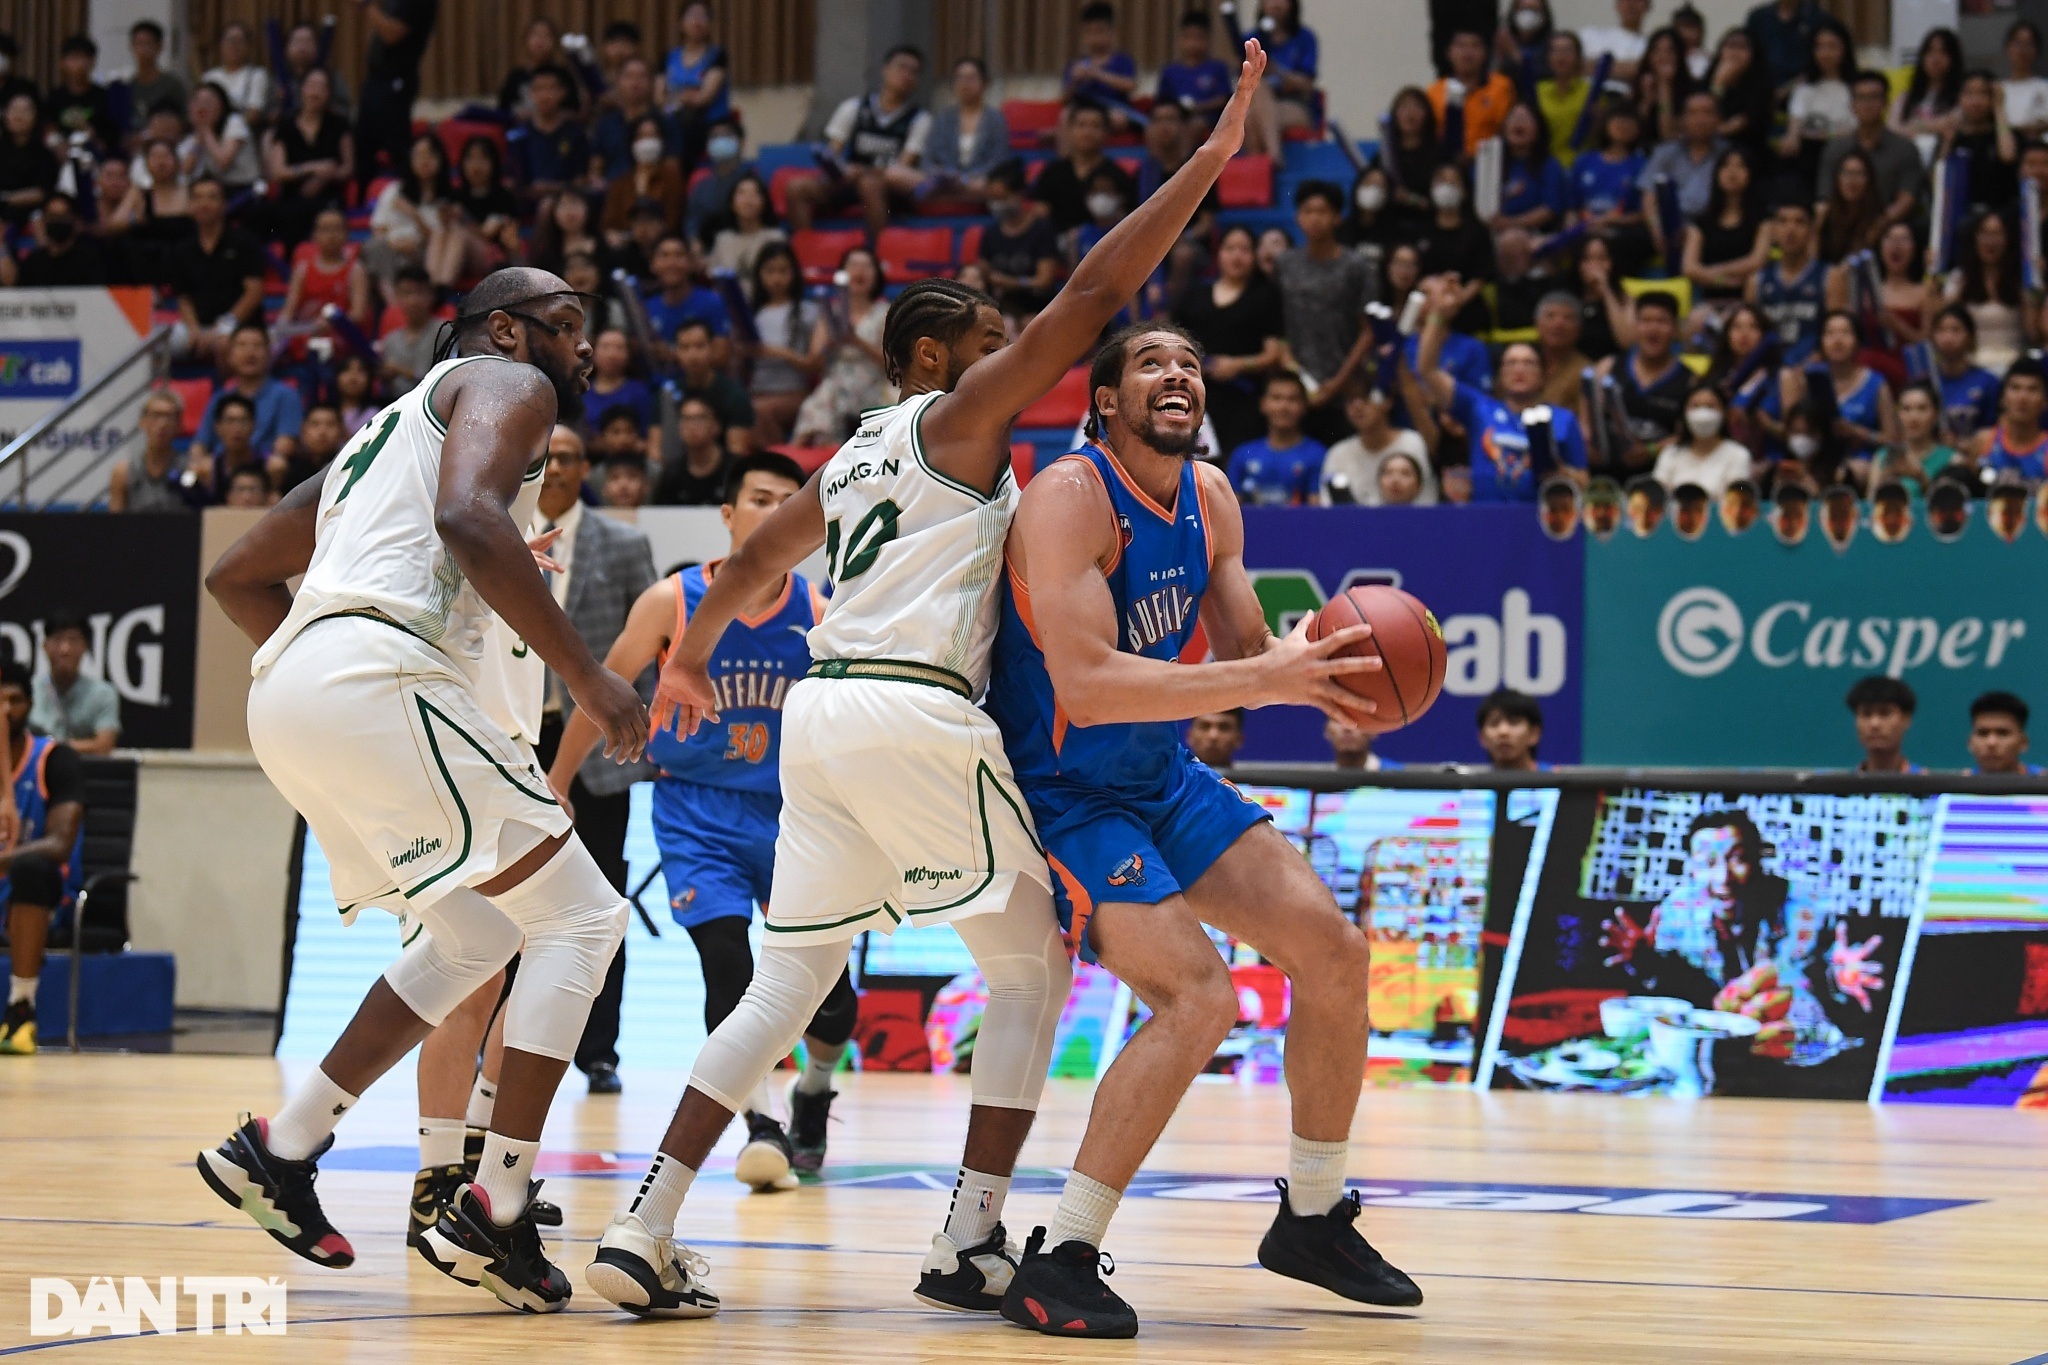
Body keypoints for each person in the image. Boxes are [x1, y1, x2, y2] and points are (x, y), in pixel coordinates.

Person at [584, 43, 1272, 1329]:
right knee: (1029, 970)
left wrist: (685, 661)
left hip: (819, 722)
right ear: (928, 359)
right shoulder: (954, 424)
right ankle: (968, 1241)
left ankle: (643, 1223)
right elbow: (1097, 286)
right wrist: (1208, 163)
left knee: (782, 991)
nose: (1015, 364)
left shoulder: (845, 459)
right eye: (989, 347)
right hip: (911, 710)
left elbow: (743, 565)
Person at [198, 266, 647, 1309]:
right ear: (504, 329)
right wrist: (588, 675)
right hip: (375, 674)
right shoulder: (504, 381)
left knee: (476, 938)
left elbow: (233, 576)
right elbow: (470, 520)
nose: (583, 349)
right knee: (583, 921)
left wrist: (326, 685)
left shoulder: (377, 434)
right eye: (567, 326)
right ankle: (494, 1209)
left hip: (291, 691)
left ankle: (284, 1144)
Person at [983, 313, 1419, 1337]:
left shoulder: (1211, 496)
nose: (1175, 371)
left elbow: (1246, 647)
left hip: (1161, 774)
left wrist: (1318, 663)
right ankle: (1062, 1255)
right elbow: (1085, 688)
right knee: (1196, 1000)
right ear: (1105, 402)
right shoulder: (1068, 500)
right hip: (1063, 792)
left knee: (1335, 953)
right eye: (1149, 363)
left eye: (1186, 361)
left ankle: (1310, 1217)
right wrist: (1263, 678)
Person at [550, 451, 857, 1181]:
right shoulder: (671, 601)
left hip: (796, 814)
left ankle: (813, 1090)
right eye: (759, 498)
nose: (775, 513)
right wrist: (558, 779)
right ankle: (762, 1120)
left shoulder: (820, 611)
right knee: (728, 963)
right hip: (696, 811)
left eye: (791, 503)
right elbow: (603, 688)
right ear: (727, 515)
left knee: (830, 998)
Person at [520, 427, 657, 1096]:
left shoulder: (624, 544)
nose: (554, 469)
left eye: (569, 456)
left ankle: (599, 1050)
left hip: (598, 753)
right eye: (544, 457)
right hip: (514, 743)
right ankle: (506, 1044)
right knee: (511, 899)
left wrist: (641, 734)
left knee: (601, 900)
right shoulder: (497, 538)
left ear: (584, 468)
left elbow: (651, 646)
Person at [1418, 275, 1588, 502]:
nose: (1519, 369)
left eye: (1528, 363)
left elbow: (1584, 481)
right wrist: (1437, 316)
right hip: (1487, 521)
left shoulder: (1564, 420)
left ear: (1542, 375)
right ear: (1501, 375)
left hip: (1542, 521)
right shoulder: (1478, 407)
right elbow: (1427, 369)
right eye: (1511, 363)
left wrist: (1560, 473)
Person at [0, 659, 87, 1057]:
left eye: (13, 700)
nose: (4, 710)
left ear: (29, 705)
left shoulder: (54, 758)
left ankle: (22, 1007)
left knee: (32, 867)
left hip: (48, 895)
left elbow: (60, 844)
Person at [790, 45, 932, 239]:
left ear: (916, 81)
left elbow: (901, 169)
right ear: (885, 70)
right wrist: (838, 170)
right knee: (796, 188)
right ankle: (805, 250)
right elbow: (833, 153)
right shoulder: (853, 107)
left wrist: (862, 172)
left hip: (890, 191)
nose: (906, 74)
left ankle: (879, 255)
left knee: (869, 184)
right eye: (901, 67)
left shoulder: (920, 119)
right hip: (850, 182)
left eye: (913, 72)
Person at [1275, 182, 1373, 444]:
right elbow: (1277, 320)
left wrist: (1338, 382)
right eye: (1307, 211)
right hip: (1298, 386)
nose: (1314, 218)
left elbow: (1368, 330)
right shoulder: (1285, 264)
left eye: (1323, 211)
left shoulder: (1358, 266)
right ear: (1297, 217)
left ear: (1337, 217)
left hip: (1346, 385)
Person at [1176, 224, 1285, 455]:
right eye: (1230, 248)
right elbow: (1175, 343)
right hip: (1197, 396)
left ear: (1254, 255)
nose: (1237, 255)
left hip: (1244, 398)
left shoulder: (1266, 295)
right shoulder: (1195, 294)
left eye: (1244, 249)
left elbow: (1273, 354)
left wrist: (1237, 365)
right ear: (1219, 254)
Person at [791, 246, 890, 446]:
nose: (859, 271)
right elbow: (814, 363)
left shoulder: (886, 312)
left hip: (874, 381)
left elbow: (892, 365)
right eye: (853, 265)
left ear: (877, 274)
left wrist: (857, 341)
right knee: (819, 402)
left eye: (867, 266)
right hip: (837, 381)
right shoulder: (830, 313)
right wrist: (829, 344)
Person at [1592, 290, 1689, 472]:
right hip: (1606, 471)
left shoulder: (1689, 380)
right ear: (1635, 326)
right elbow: (1587, 419)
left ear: (1675, 329)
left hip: (1660, 474)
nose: (1653, 329)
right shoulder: (1606, 368)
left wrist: (1652, 450)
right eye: (1645, 321)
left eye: (1661, 321)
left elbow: (1687, 435)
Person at [355, 0, 440, 194]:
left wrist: (366, 6)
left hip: (395, 82)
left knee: (397, 148)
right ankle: (364, 202)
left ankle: (409, 195)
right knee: (364, 148)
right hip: (377, 80)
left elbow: (392, 33)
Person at [195, 323, 305, 472]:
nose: (250, 353)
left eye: (257, 346)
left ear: (269, 353)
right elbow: (199, 445)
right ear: (230, 355)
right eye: (242, 345)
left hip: (262, 475)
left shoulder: (286, 396)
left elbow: (284, 448)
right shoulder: (220, 398)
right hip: (222, 473)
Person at [743, 243, 823, 445]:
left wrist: (778, 353)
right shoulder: (751, 314)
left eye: (783, 271)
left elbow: (815, 364)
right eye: (770, 271)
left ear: (794, 274)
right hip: (756, 390)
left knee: (757, 411)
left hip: (792, 392)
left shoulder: (807, 312)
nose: (776, 278)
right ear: (759, 275)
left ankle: (780, 461)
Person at [265, 68, 354, 249]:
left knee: (306, 214)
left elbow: (347, 167)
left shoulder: (339, 125)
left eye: (322, 87)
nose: (315, 91)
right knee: (258, 214)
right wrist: (314, 167)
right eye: (312, 85)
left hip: (328, 194)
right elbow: (278, 172)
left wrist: (327, 176)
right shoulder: (286, 126)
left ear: (329, 94)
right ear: (302, 90)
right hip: (291, 194)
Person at [365, 134, 459, 302]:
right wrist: (393, 242)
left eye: (430, 154)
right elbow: (378, 229)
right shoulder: (394, 190)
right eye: (418, 155)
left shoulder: (447, 200)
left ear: (440, 159)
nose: (424, 160)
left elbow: (440, 242)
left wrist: (415, 215)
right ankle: (394, 306)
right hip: (392, 249)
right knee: (374, 248)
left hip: (424, 254)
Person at [1682, 147, 1769, 319]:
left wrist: (1710, 272)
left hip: (1748, 302)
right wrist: (1722, 280)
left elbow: (1757, 261)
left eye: (1740, 166)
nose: (1732, 172)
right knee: (1695, 320)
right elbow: (1689, 268)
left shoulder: (1763, 220)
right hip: (1710, 302)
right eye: (1726, 166)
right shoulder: (1701, 222)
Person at [1940, 211, 2028, 376]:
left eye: (1997, 234)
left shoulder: (2021, 281)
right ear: (1974, 239)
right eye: (1985, 234)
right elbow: (1943, 323)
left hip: (2012, 368)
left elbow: (2033, 333)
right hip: (1971, 368)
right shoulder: (1959, 279)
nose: (1991, 241)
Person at [1570, 100, 1651, 277]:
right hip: (1585, 229)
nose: (1623, 125)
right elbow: (1572, 206)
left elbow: (1644, 214)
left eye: (1630, 121)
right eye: (1618, 119)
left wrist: (1608, 221)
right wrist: (1573, 228)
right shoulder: (1584, 161)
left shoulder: (1643, 165)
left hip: (1621, 233)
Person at [1031, 98, 1135, 236]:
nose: (1088, 132)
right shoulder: (1052, 172)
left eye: (1095, 126)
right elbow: (1040, 214)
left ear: (1106, 132)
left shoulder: (1117, 176)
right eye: (1081, 125)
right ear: (1069, 130)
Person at [975, 159, 1064, 319]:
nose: (996, 204)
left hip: (1038, 309)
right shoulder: (991, 233)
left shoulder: (1042, 229)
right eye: (993, 199)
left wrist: (1012, 283)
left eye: (1001, 198)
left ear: (1019, 194)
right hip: (1001, 309)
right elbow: (984, 271)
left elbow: (1044, 280)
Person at [1321, 383, 1434, 506]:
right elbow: (1329, 506)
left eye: (1366, 398)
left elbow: (1427, 499)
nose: (1357, 406)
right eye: (1350, 400)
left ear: (1388, 401)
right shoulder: (1338, 454)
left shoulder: (1415, 443)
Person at [1776, 20, 1855, 190]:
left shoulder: (1853, 88)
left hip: (1845, 152)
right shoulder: (1805, 88)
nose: (1825, 53)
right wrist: (1792, 137)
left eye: (1832, 46)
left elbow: (1855, 129)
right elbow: (1795, 125)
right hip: (1810, 152)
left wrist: (1826, 135)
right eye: (1819, 47)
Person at [1229, 371, 1327, 505]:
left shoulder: (1317, 454)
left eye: (1292, 399)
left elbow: (1318, 510)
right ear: (1263, 404)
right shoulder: (1242, 454)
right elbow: (1230, 507)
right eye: (1276, 398)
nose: (1284, 406)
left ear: (1304, 406)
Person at [31, 611, 122, 754]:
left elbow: (104, 746)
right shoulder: (29, 691)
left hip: (84, 772)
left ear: (85, 646)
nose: (65, 649)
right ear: (45, 646)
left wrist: (48, 748)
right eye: (57, 640)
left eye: (73, 640)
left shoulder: (103, 693)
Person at [1749, 198, 1825, 366]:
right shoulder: (1756, 281)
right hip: (1768, 368)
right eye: (1783, 221)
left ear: (1812, 230)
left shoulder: (1830, 276)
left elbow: (1838, 332)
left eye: (1799, 222)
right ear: (1773, 230)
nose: (1791, 229)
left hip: (1813, 367)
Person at [282, 207, 372, 348]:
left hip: (342, 342)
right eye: (325, 230)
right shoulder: (303, 270)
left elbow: (358, 314)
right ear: (315, 235)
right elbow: (288, 311)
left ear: (347, 234)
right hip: (308, 340)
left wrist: (331, 323)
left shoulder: (356, 270)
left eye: (337, 229)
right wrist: (282, 327)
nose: (331, 235)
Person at [642, 237, 731, 371]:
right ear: (652, 265)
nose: (671, 263)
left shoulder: (712, 302)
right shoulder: (646, 308)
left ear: (691, 263)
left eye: (679, 255)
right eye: (664, 256)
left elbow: (722, 356)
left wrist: (674, 355)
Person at [663, 317, 752, 452]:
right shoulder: (668, 392)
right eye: (684, 348)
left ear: (712, 348)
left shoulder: (734, 396)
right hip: (678, 468)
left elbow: (737, 452)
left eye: (700, 346)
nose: (692, 355)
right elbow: (657, 449)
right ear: (676, 353)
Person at [1652, 383, 1753, 499]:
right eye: (1695, 406)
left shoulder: (1738, 454)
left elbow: (1736, 496)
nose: (1703, 414)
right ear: (1684, 413)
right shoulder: (1670, 453)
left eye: (1710, 406)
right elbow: (1657, 494)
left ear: (1724, 412)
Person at [661, 2, 731, 170]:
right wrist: (684, 97)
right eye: (691, 16)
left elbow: (703, 98)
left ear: (710, 24)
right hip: (673, 118)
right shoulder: (669, 57)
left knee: (685, 129)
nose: (697, 22)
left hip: (709, 122)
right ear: (680, 23)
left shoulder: (717, 56)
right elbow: (659, 98)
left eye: (703, 17)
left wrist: (675, 97)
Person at [509, 68, 590, 206]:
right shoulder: (517, 134)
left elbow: (582, 180)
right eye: (539, 89)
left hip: (566, 205)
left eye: (551, 89)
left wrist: (552, 189)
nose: (545, 95)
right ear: (531, 93)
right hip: (525, 206)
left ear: (562, 92)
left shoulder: (576, 133)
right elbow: (513, 180)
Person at [109, 389, 198, 513]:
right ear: (142, 422)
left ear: (179, 425)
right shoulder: (123, 473)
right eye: (156, 416)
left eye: (168, 417)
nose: (162, 424)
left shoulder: (191, 469)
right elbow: (113, 525)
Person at [1865, 381, 1957, 499]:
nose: (1913, 417)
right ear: (1898, 414)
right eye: (1906, 409)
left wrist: (1922, 480)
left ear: (1935, 414)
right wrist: (1887, 477)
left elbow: (1950, 505)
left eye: (1922, 409)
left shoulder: (1951, 460)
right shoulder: (1883, 457)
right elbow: (1869, 505)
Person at [600, 114, 686, 235]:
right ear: (633, 142)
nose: (648, 142)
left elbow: (673, 218)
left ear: (662, 141)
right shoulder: (620, 183)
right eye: (642, 136)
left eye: (653, 136)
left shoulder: (672, 178)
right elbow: (609, 223)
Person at [1927, 306, 1998, 446]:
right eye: (1941, 330)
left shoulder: (1988, 382)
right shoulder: (1925, 381)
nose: (1948, 338)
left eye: (1956, 330)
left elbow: (1995, 432)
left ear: (1970, 337)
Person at [1063, 2, 1139, 131]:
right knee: (1065, 117)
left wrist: (1097, 74)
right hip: (1084, 110)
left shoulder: (1123, 60)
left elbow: (1130, 85)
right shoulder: (1076, 64)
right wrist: (1074, 81)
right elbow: (1064, 100)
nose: (1095, 37)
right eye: (1089, 32)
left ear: (1112, 31)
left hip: (1114, 110)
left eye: (1100, 31)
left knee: (1118, 119)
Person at [1159, 9, 1234, 139]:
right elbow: (1161, 102)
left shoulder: (1217, 68)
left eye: (1198, 37)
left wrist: (1197, 108)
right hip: (1177, 117)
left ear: (1208, 39)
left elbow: (1224, 99)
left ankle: (1184, 159)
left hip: (1209, 118)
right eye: (1188, 37)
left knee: (1195, 124)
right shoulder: (1170, 71)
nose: (1193, 43)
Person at [1971, 355, 2048, 482]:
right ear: (2002, 398)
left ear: (2045, 402)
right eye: (2015, 388)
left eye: (2032, 389)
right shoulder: (1983, 442)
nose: (2023, 398)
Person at [182, 81, 260, 196]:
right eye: (197, 102)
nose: (202, 107)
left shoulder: (234, 122)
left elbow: (223, 162)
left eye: (208, 102)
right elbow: (187, 169)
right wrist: (199, 138)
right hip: (219, 189)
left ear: (221, 106)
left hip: (245, 188)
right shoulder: (198, 131)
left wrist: (207, 131)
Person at [119, 20, 188, 145]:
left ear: (160, 46)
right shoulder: (126, 86)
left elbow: (185, 122)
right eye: (138, 43)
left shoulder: (172, 85)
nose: (143, 49)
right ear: (131, 46)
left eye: (148, 43)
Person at [379, 266, 445, 398]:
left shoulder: (445, 331)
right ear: (397, 297)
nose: (413, 300)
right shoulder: (390, 340)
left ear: (431, 295)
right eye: (406, 293)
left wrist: (401, 371)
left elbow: (444, 378)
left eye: (419, 292)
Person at [18, 193, 108, 287]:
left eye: (64, 216)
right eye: (53, 217)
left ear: (75, 219)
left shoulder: (91, 259)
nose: (58, 221)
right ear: (44, 220)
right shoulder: (33, 263)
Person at [655, 395, 731, 506]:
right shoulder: (671, 475)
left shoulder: (734, 469)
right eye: (686, 419)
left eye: (700, 418)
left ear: (716, 425)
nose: (692, 426)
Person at [49, 34, 119, 153]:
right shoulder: (54, 97)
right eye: (74, 58)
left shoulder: (105, 97)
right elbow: (49, 129)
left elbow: (110, 138)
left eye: (84, 58)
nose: (79, 65)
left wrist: (90, 134)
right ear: (63, 62)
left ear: (93, 62)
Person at [0, 93, 56, 231]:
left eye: (25, 110)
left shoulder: (44, 154)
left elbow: (42, 191)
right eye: (13, 109)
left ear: (36, 117)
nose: (19, 115)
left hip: (33, 216)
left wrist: (6, 198)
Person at [1745, 0, 1824, 96]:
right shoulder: (1758, 18)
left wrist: (1789, 88)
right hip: (1761, 90)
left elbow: (1820, 62)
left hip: (1805, 90)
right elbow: (1748, 53)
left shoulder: (1817, 18)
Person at [1536, 31, 1592, 164]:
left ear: (1578, 57)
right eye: (1555, 51)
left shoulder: (1591, 92)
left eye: (1567, 50)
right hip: (1543, 165)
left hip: (1579, 164)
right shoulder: (1538, 90)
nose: (1561, 56)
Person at [1846, 674, 1920, 774]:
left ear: (1906, 719)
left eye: (1885, 713)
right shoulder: (1840, 788)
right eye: (1866, 714)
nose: (1874, 724)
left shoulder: (1932, 788)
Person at [1968, 692, 2039, 776]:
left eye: (2003, 733)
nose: (1991, 743)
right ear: (1970, 742)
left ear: (2023, 742)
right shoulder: (1956, 787)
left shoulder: (2043, 784)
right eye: (1983, 733)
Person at [1582, 0, 1652, 82]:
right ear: (1617, 5)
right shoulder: (1591, 36)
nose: (1631, 4)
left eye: (1637, 1)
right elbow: (1577, 65)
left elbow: (1642, 71)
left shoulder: (1650, 45)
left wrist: (1598, 66)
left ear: (1647, 6)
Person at [1477, 688, 1543, 769]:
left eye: (1514, 722)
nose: (1503, 732)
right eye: (1494, 723)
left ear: (1534, 734)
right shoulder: (1472, 781)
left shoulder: (1557, 780)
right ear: (1482, 738)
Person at [2005, 20, 2048, 140]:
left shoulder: (2044, 87)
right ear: (2008, 47)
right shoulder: (1998, 88)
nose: (2022, 50)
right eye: (2018, 43)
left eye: (2029, 44)